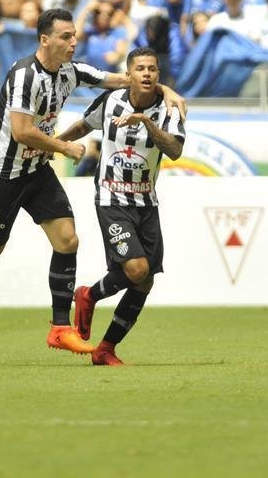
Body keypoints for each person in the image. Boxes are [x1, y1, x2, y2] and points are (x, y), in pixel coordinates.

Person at [0, 8, 185, 356]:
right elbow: (21, 132)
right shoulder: (23, 76)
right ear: (44, 40)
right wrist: (64, 146)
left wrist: (167, 90)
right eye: (66, 36)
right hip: (1, 175)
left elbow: (127, 78)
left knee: (67, 240)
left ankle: (60, 327)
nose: (73, 42)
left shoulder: (71, 71)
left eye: (75, 35)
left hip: (36, 172)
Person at [59, 47, 186, 366]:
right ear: (129, 74)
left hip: (146, 201)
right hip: (111, 198)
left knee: (144, 281)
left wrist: (145, 121)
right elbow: (83, 127)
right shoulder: (110, 100)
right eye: (140, 68)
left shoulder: (171, 108)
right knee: (137, 269)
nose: (146, 74)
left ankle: (105, 348)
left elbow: (174, 151)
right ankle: (88, 296)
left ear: (158, 76)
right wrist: (55, 145)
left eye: (152, 69)